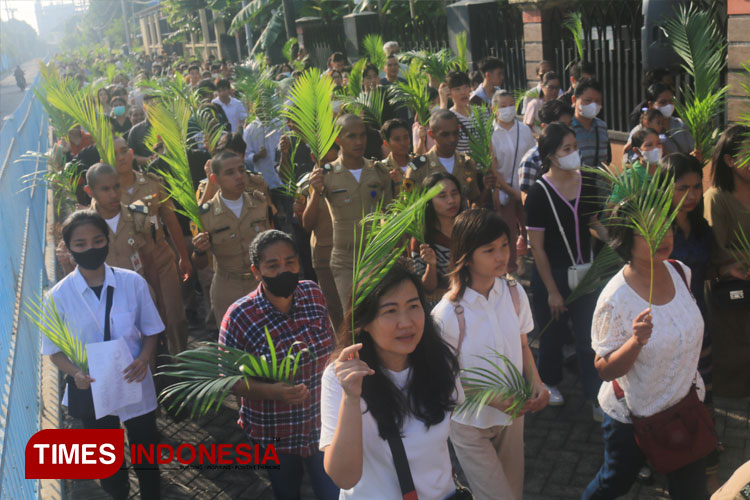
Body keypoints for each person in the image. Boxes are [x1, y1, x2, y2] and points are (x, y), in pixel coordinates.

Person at [582, 216, 709, 500]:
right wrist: (636, 342)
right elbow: (604, 369)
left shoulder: (680, 271)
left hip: (684, 409)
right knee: (614, 483)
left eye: (666, 229)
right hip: (633, 419)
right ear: (625, 240)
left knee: (691, 491)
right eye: (649, 233)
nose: (663, 238)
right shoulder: (615, 298)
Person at [44, 211, 163, 500]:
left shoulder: (132, 282)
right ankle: (118, 494)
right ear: (69, 248)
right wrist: (75, 374)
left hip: (135, 380)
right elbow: (53, 351)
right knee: (107, 459)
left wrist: (144, 358)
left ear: (107, 241)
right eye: (81, 244)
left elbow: (151, 330)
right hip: (94, 388)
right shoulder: (58, 297)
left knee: (146, 449)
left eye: (98, 240)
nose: (90, 249)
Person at [432, 208, 549, 500]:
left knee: (514, 493)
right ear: (467, 256)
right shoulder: (447, 313)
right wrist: (493, 398)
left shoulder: (514, 292)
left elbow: (523, 345)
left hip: (512, 417)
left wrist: (536, 382)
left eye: (504, 246)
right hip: (470, 425)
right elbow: (444, 381)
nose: (501, 256)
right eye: (490, 250)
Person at [320, 261, 462, 500]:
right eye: (390, 310)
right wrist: (351, 398)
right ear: (364, 323)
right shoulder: (341, 378)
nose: (406, 322)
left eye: (413, 306)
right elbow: (344, 478)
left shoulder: (441, 362)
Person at [220, 230, 338, 500]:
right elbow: (227, 380)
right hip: (275, 432)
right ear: (256, 271)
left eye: (290, 262)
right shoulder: (240, 316)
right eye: (272, 265)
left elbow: (330, 346)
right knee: (286, 492)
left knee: (333, 492)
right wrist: (275, 392)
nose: (284, 270)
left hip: (321, 425)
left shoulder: (313, 293)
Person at [524, 122, 607, 414]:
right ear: (550, 155)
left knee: (589, 337)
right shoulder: (538, 193)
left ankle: (595, 393)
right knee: (553, 336)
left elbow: (594, 223)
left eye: (575, 147)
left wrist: (616, 242)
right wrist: (551, 291)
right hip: (553, 273)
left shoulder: (588, 181)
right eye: (567, 149)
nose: (574, 153)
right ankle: (549, 381)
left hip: (585, 272)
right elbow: (537, 247)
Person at [664, 152, 719, 490]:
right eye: (682, 187)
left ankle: (707, 455)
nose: (692, 195)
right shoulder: (653, 229)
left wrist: (729, 269)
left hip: (700, 326)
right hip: (667, 332)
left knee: (704, 394)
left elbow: (707, 270)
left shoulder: (701, 228)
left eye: (697, 187)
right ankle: (662, 457)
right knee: (671, 401)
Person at [114, 137, 191, 355]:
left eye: (124, 151)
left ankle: (181, 364)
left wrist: (183, 257)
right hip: (129, 269)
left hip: (161, 261)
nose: (121, 157)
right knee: (141, 325)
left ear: (131, 153)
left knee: (174, 318)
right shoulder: (108, 193)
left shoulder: (152, 183)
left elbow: (171, 220)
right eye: (115, 154)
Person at [309, 114, 393, 311]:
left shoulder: (379, 171)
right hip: (345, 260)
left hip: (375, 256)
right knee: (353, 318)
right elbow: (308, 222)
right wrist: (315, 193)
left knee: (380, 312)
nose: (359, 142)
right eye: (351, 136)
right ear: (338, 139)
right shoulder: (326, 175)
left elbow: (390, 215)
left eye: (362, 136)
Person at [192, 150, 272, 322]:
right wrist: (199, 251)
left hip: (261, 283)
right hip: (227, 287)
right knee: (233, 345)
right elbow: (200, 264)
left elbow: (272, 242)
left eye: (241, 170)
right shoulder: (205, 215)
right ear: (214, 179)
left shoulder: (259, 202)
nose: (238, 176)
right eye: (230, 173)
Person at [704, 125, 750, 398]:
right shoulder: (716, 199)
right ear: (730, 161)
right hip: (731, 293)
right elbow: (717, 250)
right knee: (732, 349)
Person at [406, 109, 495, 207]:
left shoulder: (467, 164)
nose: (452, 139)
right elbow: (408, 205)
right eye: (445, 135)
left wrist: (486, 189)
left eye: (455, 133)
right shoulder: (417, 167)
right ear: (431, 134)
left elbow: (474, 201)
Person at [491, 89, 535, 273]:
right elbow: (493, 169)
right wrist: (510, 191)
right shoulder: (491, 133)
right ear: (494, 109)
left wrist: (523, 191)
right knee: (508, 231)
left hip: (526, 190)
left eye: (510, 105)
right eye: (503, 106)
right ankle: (510, 270)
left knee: (530, 228)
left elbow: (533, 157)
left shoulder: (524, 130)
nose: (508, 109)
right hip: (503, 192)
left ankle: (523, 258)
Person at [301, 144, 344, 329]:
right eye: (326, 162)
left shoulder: (347, 175)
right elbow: (307, 224)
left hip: (354, 252)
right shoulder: (307, 184)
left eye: (334, 161)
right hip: (325, 254)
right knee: (336, 313)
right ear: (313, 157)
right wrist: (317, 192)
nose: (330, 167)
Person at [410, 173, 464, 306]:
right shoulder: (422, 238)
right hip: (440, 307)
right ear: (429, 201)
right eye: (442, 196)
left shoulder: (469, 229)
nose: (451, 200)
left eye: (454, 193)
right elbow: (427, 288)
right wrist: (431, 265)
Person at [518, 100, 574, 195]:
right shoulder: (531, 160)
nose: (568, 130)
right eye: (563, 125)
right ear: (545, 127)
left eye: (570, 124)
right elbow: (527, 199)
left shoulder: (574, 153)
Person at [628, 82, 693, 157]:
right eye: (663, 102)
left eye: (671, 101)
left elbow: (693, 150)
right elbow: (629, 159)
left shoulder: (681, 125)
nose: (669, 105)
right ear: (651, 105)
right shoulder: (639, 131)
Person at [610, 128, 663, 205]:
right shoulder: (629, 177)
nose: (656, 148)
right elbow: (611, 209)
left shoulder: (666, 172)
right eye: (649, 145)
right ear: (637, 151)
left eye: (659, 143)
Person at [571, 78, 611, 168]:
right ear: (574, 100)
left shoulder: (602, 126)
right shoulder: (567, 127)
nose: (593, 105)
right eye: (588, 100)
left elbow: (604, 162)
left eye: (597, 101)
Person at [445, 71, 475, 154]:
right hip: (461, 166)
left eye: (466, 87)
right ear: (449, 93)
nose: (463, 92)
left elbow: (490, 145)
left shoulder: (481, 112)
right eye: (457, 89)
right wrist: (443, 101)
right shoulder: (449, 117)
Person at [523, 71, 562, 136]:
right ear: (542, 87)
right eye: (551, 87)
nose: (554, 91)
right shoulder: (534, 104)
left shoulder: (560, 105)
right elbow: (526, 128)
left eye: (556, 88)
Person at [412, 86, 439, 156]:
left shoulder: (447, 124)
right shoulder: (419, 127)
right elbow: (417, 155)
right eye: (433, 103)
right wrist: (421, 139)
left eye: (439, 103)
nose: (437, 106)